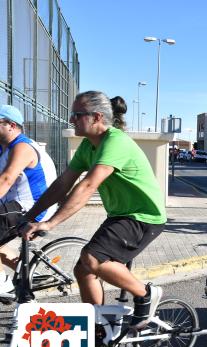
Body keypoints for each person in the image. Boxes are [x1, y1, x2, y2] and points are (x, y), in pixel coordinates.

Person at [20, 91, 166, 329]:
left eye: (77, 115)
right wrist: (31, 216)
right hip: (120, 215)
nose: (71, 120)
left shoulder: (115, 142)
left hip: (144, 216)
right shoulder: (88, 146)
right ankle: (100, 327)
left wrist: (50, 224)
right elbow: (62, 184)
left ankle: (146, 294)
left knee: (92, 258)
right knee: (83, 270)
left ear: (97, 117)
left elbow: (88, 185)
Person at [0, 105, 58, 294]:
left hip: (33, 208)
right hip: (13, 206)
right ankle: (26, 271)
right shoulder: (4, 148)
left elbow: (6, 180)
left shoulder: (22, 146)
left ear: (11, 125)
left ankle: (5, 285)